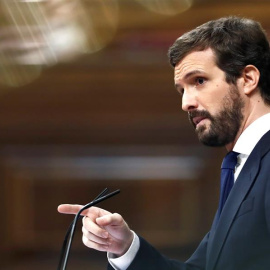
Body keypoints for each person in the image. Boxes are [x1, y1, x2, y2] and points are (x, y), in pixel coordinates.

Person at [58, 16, 270, 270]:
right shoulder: (243, 165)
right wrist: (125, 248)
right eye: (182, 90)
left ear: (247, 78)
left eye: (199, 81)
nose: (186, 103)